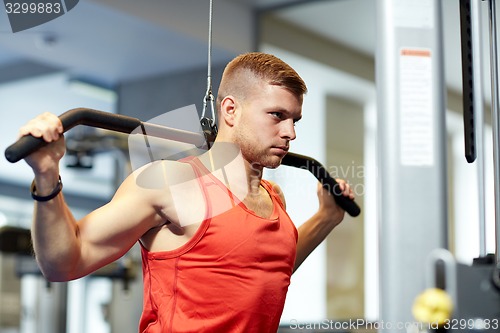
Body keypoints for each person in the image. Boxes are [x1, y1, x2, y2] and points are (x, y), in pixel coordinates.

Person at [18, 52, 354, 333]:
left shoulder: (273, 196)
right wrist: (47, 176)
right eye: (277, 116)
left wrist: (326, 218)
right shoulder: (172, 184)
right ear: (230, 110)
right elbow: (64, 263)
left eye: (294, 119)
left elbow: (266, 270)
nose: (290, 133)